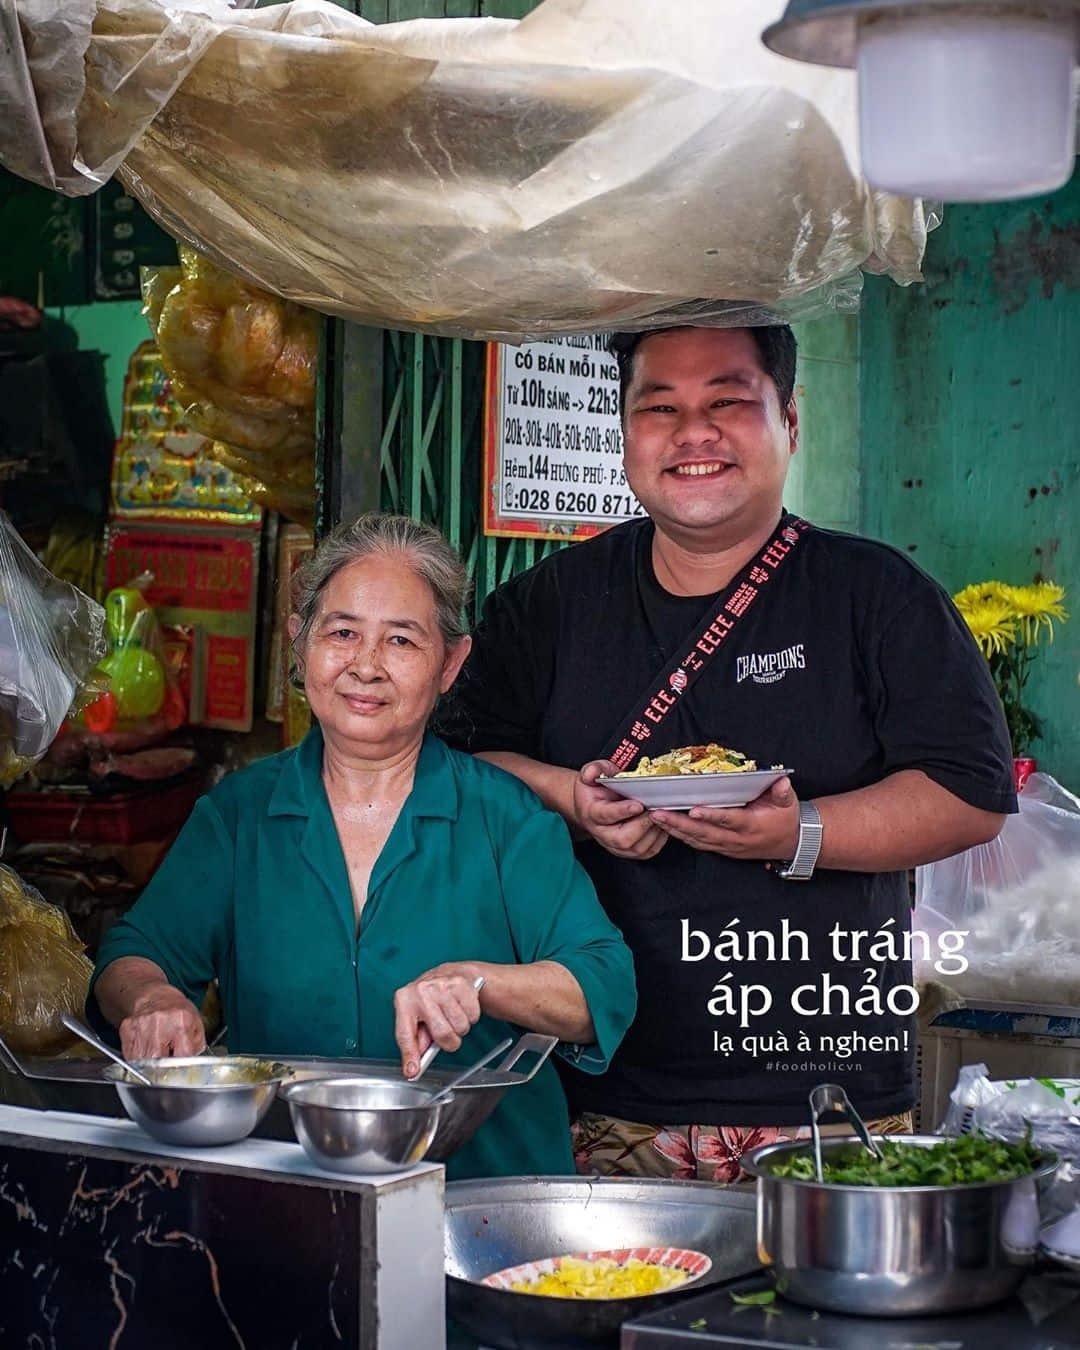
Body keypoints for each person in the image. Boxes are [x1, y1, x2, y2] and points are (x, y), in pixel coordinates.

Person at [437, 324, 1015, 1182]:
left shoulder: (875, 594)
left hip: (823, 1094)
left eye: (728, 403)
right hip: (605, 1090)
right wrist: (572, 799)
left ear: (790, 418)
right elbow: (452, 767)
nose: (692, 432)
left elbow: (972, 790)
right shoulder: (549, 605)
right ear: (624, 432)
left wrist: (799, 834)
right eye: (659, 407)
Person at [90, 514, 637, 1181]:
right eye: (342, 632)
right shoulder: (240, 814)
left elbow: (601, 985)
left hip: (485, 1199)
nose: (365, 666)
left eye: (401, 640)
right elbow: (133, 953)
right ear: (300, 644)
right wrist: (150, 997)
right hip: (287, 1195)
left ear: (450, 664)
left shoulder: (505, 817)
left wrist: (480, 982)